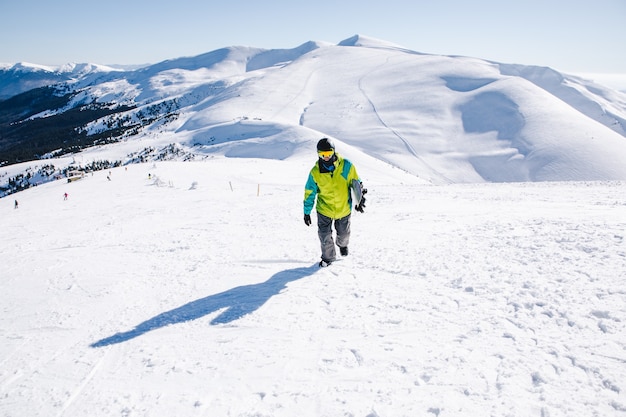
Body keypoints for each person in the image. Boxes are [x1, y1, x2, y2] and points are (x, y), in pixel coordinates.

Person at [303, 138, 367, 267]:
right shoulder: (315, 172)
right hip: (324, 210)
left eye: (328, 154)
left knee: (344, 235)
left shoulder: (346, 166)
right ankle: (328, 258)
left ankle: (342, 245)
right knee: (324, 235)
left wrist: (360, 199)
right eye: (322, 155)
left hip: (343, 209)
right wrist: (306, 212)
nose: (326, 157)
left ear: (334, 152)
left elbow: (356, 182)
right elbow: (310, 192)